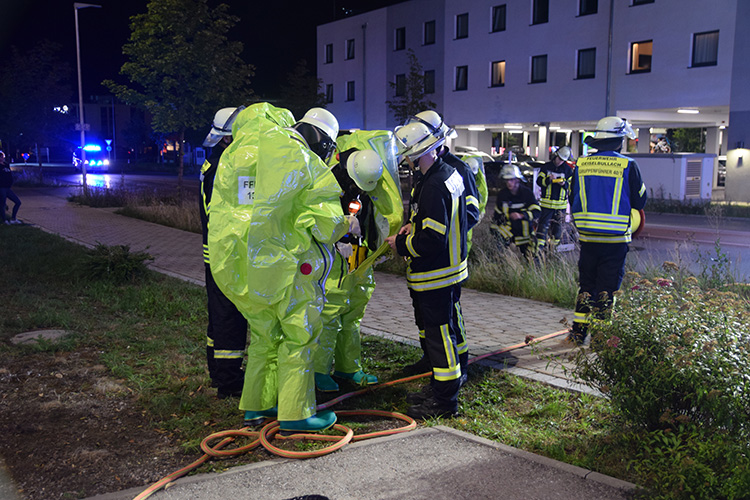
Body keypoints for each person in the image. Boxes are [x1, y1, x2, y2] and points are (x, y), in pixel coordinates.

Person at [206, 104, 352, 432]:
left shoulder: (242, 154)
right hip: (290, 267)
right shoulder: (304, 161)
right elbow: (326, 225)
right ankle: (295, 414)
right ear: (324, 142)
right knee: (298, 337)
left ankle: (256, 409)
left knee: (263, 338)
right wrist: (348, 224)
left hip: (245, 267)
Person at [385, 120, 468, 420]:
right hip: (450, 270)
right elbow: (441, 222)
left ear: (419, 153)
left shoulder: (432, 184)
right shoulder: (446, 173)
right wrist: (414, 225)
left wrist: (402, 243)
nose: (405, 160)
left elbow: (432, 239)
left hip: (436, 275)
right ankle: (444, 387)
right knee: (449, 330)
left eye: (408, 155)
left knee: (439, 336)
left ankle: (444, 402)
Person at [314, 130, 402, 392]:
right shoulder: (330, 180)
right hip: (334, 257)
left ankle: (347, 367)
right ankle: (319, 371)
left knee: (353, 312)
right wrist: (339, 233)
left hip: (358, 254)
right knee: (330, 313)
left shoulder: (365, 178)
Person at [400, 111, 476, 381]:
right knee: (441, 327)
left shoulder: (447, 174)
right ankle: (439, 365)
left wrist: (404, 243)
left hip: (439, 268)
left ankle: (450, 382)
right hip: (443, 266)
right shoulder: (434, 173)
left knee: (443, 327)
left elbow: (465, 216)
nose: (406, 159)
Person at [568, 116, 647, 344]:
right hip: (614, 240)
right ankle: (599, 339)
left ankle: (577, 333)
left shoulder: (581, 164)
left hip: (588, 237)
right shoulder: (628, 165)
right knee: (606, 290)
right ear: (620, 140)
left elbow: (572, 197)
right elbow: (640, 202)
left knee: (586, 286)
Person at [199, 107, 249, 399]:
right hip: (226, 254)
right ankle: (229, 381)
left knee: (219, 316)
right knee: (229, 316)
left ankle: (220, 372)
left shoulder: (215, 161)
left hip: (216, 251)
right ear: (229, 137)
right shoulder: (223, 167)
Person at [491, 161, 541, 258]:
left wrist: (522, 215)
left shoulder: (526, 193)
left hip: (524, 231)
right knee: (497, 251)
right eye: (507, 180)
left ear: (517, 180)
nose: (509, 183)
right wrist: (494, 231)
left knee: (531, 257)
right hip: (509, 230)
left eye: (512, 180)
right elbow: (497, 215)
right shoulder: (502, 195)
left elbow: (537, 211)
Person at [535, 146, 574, 252]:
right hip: (546, 206)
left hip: (560, 207)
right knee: (542, 229)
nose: (560, 162)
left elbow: (571, 186)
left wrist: (564, 184)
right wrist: (548, 180)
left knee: (557, 232)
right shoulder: (546, 167)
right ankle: (539, 252)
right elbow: (539, 181)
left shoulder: (568, 170)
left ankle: (552, 251)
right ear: (556, 155)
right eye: (559, 159)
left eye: (563, 160)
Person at [0, 151, 22, 225]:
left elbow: (9, 175)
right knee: (2, 204)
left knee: (18, 202)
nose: (2, 158)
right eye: (1, 157)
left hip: (8, 188)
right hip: (1, 187)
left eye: (2, 156)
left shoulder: (6, 165)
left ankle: (13, 218)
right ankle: (4, 220)